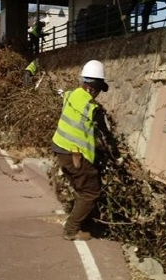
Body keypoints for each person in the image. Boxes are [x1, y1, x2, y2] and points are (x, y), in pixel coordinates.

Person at [51, 60, 121, 241]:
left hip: (60, 148)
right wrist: (117, 157)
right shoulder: (92, 108)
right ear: (92, 87)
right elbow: (105, 137)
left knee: (82, 187)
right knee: (91, 192)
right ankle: (71, 230)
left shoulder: (71, 95)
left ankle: (84, 221)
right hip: (74, 155)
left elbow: (62, 95)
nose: (98, 94)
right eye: (98, 89)